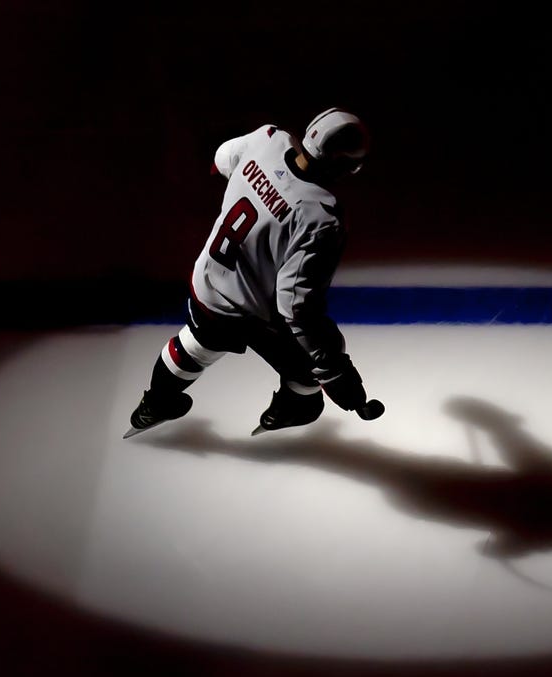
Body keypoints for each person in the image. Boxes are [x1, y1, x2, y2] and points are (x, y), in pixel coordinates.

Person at [125, 107, 376, 438]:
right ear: (345, 166)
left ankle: (156, 402)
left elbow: (222, 159)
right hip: (251, 311)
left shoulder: (267, 139)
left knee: (196, 344)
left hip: (209, 281)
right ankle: (296, 408)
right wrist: (336, 372)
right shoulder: (321, 218)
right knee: (305, 368)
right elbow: (296, 306)